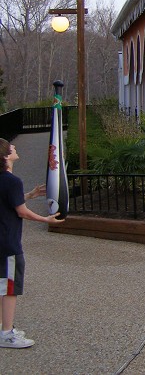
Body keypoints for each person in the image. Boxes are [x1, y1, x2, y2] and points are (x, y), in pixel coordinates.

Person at [1, 138, 65, 349]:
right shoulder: (12, 181)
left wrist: (30, 194)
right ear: (5, 155)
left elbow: (10, 201)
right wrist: (45, 219)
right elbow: (21, 211)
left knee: (3, 286)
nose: (15, 148)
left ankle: (4, 329)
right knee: (10, 289)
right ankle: (7, 334)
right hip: (8, 244)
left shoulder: (7, 182)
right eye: (12, 147)